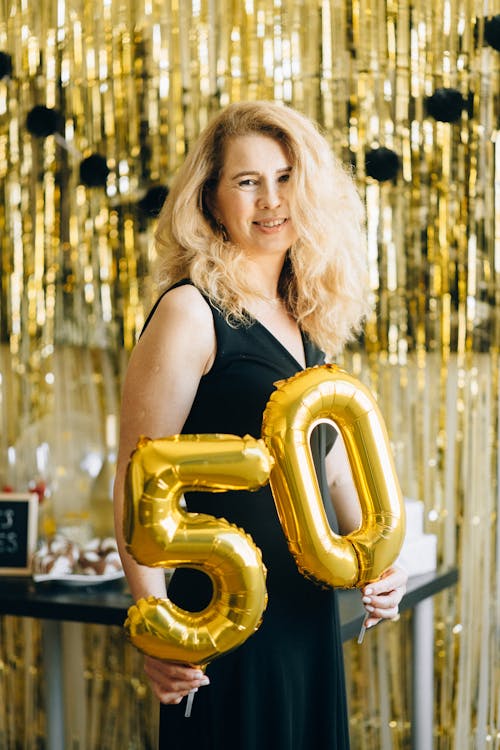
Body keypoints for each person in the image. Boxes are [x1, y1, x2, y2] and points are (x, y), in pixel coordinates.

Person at [113, 100, 408, 750]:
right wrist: (157, 625)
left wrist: (379, 567)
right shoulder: (190, 312)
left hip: (307, 622)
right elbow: (134, 483)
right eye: (247, 181)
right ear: (212, 199)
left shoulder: (306, 319)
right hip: (220, 626)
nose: (271, 199)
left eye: (284, 178)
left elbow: (331, 466)